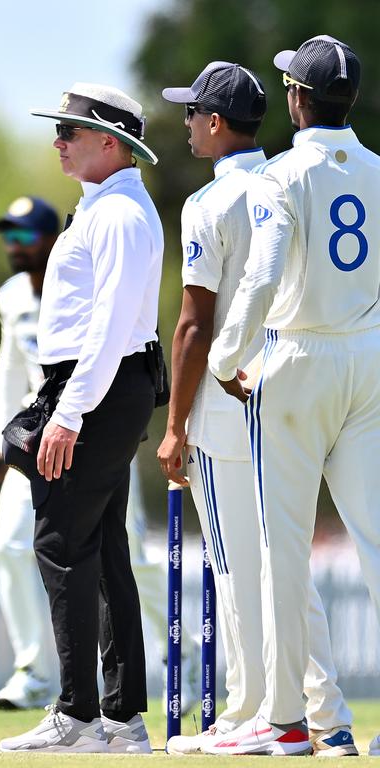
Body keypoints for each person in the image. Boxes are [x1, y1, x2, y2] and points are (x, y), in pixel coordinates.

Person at [157, 60, 356, 756]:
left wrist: (176, 424)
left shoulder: (211, 203)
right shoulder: (294, 177)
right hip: (293, 387)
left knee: (240, 567)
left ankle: (252, 709)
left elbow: (192, 325)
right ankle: (324, 716)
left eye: (192, 114)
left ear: (215, 123)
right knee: (282, 566)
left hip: (225, 401)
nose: (186, 125)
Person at [205, 35, 380, 757]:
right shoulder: (376, 169)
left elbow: (264, 274)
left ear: (298, 98)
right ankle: (325, 722)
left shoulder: (279, 176)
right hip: (368, 359)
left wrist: (225, 355)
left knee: (285, 552)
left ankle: (292, 720)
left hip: (299, 357)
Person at [0, 83, 162, 753]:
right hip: (101, 385)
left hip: (97, 385)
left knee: (62, 542)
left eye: (71, 128)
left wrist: (67, 414)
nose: (58, 139)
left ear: (111, 142)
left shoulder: (118, 213)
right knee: (103, 551)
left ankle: (77, 714)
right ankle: (119, 719)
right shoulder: (106, 205)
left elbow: (108, 327)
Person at [0, 196, 61, 710]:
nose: (15, 245)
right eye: (10, 236)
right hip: (30, 440)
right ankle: (33, 670)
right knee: (9, 546)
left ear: (52, 239)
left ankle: (174, 658)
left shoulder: (77, 283)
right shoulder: (10, 295)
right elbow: (10, 371)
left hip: (87, 436)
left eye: (26, 236)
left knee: (123, 557)